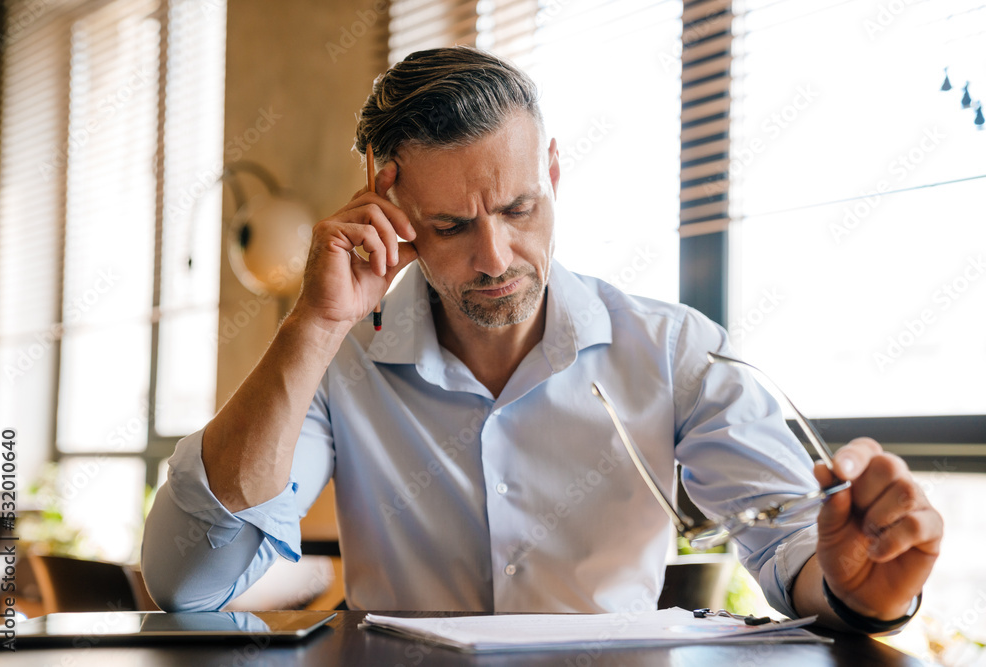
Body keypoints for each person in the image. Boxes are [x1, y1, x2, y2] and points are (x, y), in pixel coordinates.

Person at [141, 47, 942, 630]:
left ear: (553, 172)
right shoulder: (341, 362)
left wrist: (859, 589)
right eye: (450, 225)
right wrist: (311, 326)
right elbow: (189, 583)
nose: (494, 258)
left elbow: (798, 544)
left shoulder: (672, 351)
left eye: (519, 209)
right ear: (389, 209)